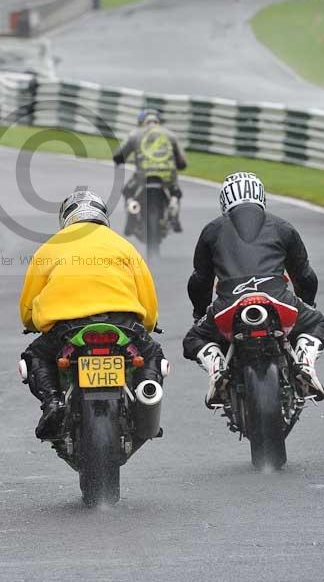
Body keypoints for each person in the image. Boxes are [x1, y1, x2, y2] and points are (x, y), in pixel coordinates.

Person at [19, 188, 166, 440]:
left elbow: (28, 307)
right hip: (123, 324)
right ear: (102, 216)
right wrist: (148, 325)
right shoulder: (124, 246)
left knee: (36, 357)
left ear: (66, 218)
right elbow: (148, 303)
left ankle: (53, 401)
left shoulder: (51, 246)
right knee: (153, 354)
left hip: (67, 328)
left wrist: (33, 322)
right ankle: (145, 393)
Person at [182, 171, 324, 403]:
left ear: (224, 200)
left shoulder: (212, 230)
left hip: (229, 303)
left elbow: (200, 281)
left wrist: (200, 313)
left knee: (193, 339)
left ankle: (217, 367)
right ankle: (305, 360)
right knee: (318, 322)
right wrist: (307, 305)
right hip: (277, 299)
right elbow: (305, 276)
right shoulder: (283, 227)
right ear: (261, 196)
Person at [113, 109, 187, 234]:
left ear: (141, 122)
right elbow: (182, 162)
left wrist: (120, 160)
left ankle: (132, 216)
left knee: (127, 191)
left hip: (143, 176)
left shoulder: (135, 134)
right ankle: (174, 212)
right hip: (167, 177)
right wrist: (179, 164)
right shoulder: (170, 135)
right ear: (159, 122)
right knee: (176, 192)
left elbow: (119, 154)